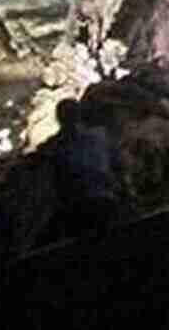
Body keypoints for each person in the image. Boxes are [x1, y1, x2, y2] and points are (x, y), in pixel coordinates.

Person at [49, 98, 134, 239]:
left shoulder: (57, 146)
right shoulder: (99, 136)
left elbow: (58, 179)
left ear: (59, 119)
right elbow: (118, 164)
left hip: (78, 205)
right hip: (102, 198)